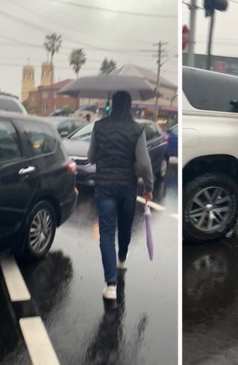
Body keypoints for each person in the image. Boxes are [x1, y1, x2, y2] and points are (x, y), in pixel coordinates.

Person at [88, 90, 154, 300]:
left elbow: (90, 156)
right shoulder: (137, 129)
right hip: (127, 187)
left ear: (112, 105)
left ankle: (110, 285)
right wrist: (149, 187)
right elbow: (143, 163)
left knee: (106, 233)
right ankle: (122, 260)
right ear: (129, 106)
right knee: (125, 227)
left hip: (104, 185)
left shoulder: (99, 126)